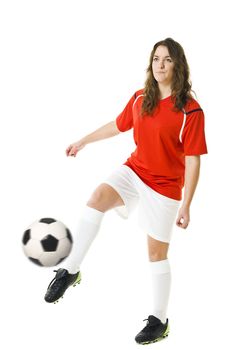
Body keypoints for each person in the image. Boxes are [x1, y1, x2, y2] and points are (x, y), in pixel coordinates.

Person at [44, 37, 208, 345]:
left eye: (168, 60)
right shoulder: (139, 97)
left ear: (178, 65)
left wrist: (187, 204)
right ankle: (70, 271)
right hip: (135, 172)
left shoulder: (190, 110)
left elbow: (194, 160)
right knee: (96, 199)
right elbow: (118, 125)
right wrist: (83, 140)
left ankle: (160, 321)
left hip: (165, 187)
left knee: (156, 254)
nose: (160, 64)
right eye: (156, 59)